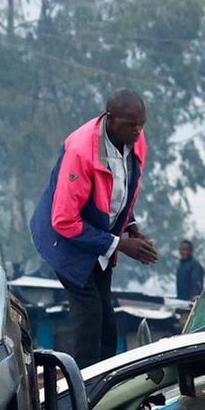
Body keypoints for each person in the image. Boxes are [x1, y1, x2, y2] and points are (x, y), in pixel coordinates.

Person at [29, 88, 159, 366]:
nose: (137, 131)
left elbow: (121, 190)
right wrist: (120, 244)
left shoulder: (136, 141)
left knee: (107, 324)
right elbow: (64, 220)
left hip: (99, 238)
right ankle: (85, 385)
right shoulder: (81, 152)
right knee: (89, 318)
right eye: (130, 125)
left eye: (141, 124)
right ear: (110, 119)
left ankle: (107, 380)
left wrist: (130, 225)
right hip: (66, 240)